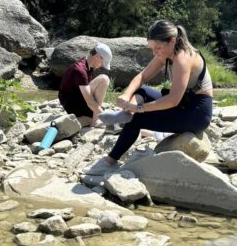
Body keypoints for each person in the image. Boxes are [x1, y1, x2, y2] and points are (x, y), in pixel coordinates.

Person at [84, 20, 213, 175]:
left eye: (157, 48)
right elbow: (143, 76)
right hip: (184, 103)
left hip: (196, 113)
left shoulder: (182, 58)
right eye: (152, 48)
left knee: (137, 118)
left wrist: (140, 108)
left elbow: (173, 100)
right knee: (143, 91)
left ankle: (110, 161)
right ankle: (125, 113)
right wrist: (126, 94)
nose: (155, 52)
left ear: (172, 41)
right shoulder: (167, 51)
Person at [58, 42, 112, 128]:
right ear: (97, 56)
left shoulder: (87, 65)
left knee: (104, 80)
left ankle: (94, 117)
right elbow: (90, 102)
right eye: (102, 62)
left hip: (77, 99)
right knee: (104, 79)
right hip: (72, 106)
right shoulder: (80, 70)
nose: (101, 66)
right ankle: (95, 121)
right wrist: (108, 118)